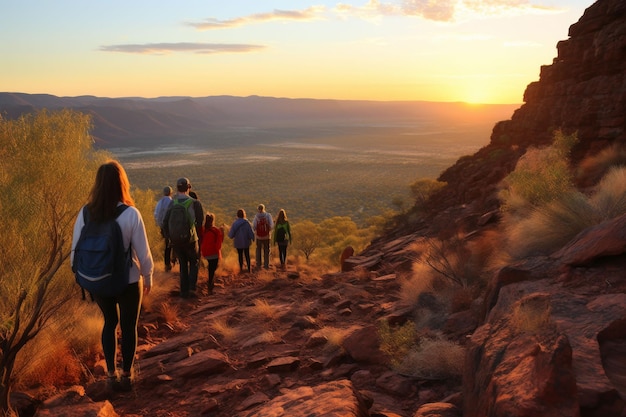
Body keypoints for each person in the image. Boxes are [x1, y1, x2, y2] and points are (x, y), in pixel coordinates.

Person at [71, 160, 153, 392]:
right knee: (128, 326)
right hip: (126, 281)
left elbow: (75, 248)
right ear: (121, 184)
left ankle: (110, 374)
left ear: (98, 185)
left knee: (110, 322)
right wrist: (148, 276)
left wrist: (83, 276)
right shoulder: (130, 214)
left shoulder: (86, 213)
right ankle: (127, 375)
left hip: (97, 280)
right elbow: (143, 252)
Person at [163, 177, 204, 298]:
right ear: (188, 187)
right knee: (194, 262)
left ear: (177, 188)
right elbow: (200, 223)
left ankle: (183, 291)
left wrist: (169, 237)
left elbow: (165, 222)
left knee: (183, 264)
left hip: (176, 240)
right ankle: (191, 288)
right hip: (190, 239)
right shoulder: (195, 203)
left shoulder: (172, 202)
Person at [200, 213, 224, 294]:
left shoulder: (203, 229)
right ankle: (210, 285)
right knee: (213, 269)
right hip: (213, 252)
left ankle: (210, 283)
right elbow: (219, 244)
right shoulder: (216, 230)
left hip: (205, 252)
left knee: (211, 267)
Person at [228, 208, 255, 273]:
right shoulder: (247, 222)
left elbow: (231, 235)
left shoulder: (235, 223)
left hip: (238, 242)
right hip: (246, 241)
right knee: (247, 255)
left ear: (237, 215)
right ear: (244, 214)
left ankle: (241, 269)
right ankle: (249, 269)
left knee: (240, 256)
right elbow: (250, 232)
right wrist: (253, 238)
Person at [154, 186, 173, 271]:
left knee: (167, 245)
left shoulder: (160, 202)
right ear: (170, 192)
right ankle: (172, 262)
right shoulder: (172, 202)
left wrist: (160, 225)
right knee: (173, 244)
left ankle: (167, 264)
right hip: (171, 226)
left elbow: (156, 215)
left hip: (163, 227)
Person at [252, 204, 273, 270]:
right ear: (264, 208)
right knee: (266, 250)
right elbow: (272, 225)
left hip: (258, 236)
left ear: (258, 209)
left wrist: (256, 232)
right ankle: (266, 265)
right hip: (267, 236)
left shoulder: (256, 216)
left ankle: (258, 264)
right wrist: (269, 230)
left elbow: (254, 226)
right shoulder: (268, 215)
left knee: (258, 250)